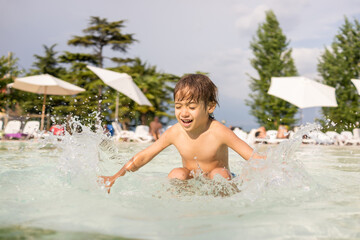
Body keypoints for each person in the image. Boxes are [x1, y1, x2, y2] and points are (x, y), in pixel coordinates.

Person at [99, 74, 265, 193]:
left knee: (218, 174)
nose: (184, 113)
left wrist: (278, 170)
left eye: (191, 107)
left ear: (210, 107)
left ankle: (219, 210)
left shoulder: (219, 132)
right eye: (178, 107)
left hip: (222, 181)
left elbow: (254, 158)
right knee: (177, 173)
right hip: (193, 183)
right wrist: (115, 177)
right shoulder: (175, 132)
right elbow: (143, 156)